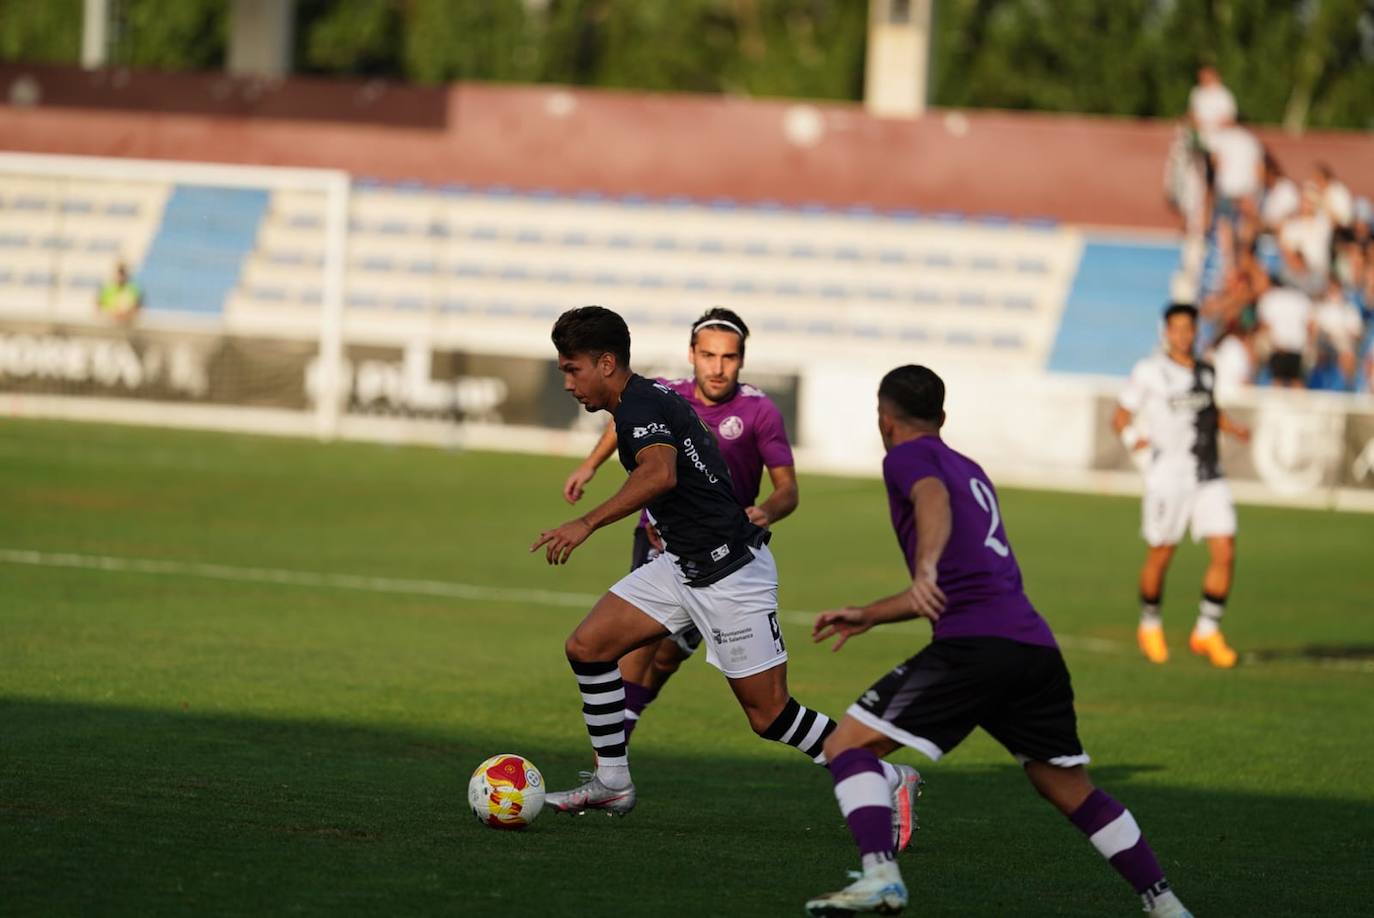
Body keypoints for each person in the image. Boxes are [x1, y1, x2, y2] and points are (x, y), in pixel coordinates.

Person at [802, 365, 1192, 918]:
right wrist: (871, 613)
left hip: (974, 648)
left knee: (848, 746)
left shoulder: (908, 458)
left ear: (883, 419)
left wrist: (927, 567)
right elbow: (951, 584)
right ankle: (1166, 904)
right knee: (1067, 785)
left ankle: (880, 877)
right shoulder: (971, 468)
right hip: (1032, 648)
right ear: (942, 417)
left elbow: (931, 504)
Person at [531, 307, 920, 845]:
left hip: (730, 574)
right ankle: (611, 782)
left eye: (572, 370)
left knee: (770, 716)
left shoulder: (644, 402)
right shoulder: (646, 397)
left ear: (605, 363)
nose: (569, 382)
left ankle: (887, 776)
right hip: (684, 566)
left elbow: (660, 472)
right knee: (588, 646)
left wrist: (587, 521)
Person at [562, 307, 799, 741]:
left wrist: (765, 510)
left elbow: (787, 490)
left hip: (726, 553)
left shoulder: (758, 412)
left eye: (728, 357)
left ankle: (871, 770)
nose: (718, 366)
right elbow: (624, 424)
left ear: (742, 360)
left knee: (686, 669)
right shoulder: (664, 393)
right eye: (708, 355)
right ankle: (612, 771)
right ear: (692, 354)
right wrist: (590, 465)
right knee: (611, 649)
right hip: (667, 546)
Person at [1113, 303, 1251, 669]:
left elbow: (1208, 410)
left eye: (1189, 328)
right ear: (1166, 332)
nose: (1183, 335)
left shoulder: (1206, 369)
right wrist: (1132, 440)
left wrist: (1235, 428)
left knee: (1225, 549)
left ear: (1195, 331)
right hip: (1168, 476)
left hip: (1208, 473)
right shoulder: (1150, 371)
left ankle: (1206, 630)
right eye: (1176, 328)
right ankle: (1150, 624)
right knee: (1162, 554)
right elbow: (1120, 415)